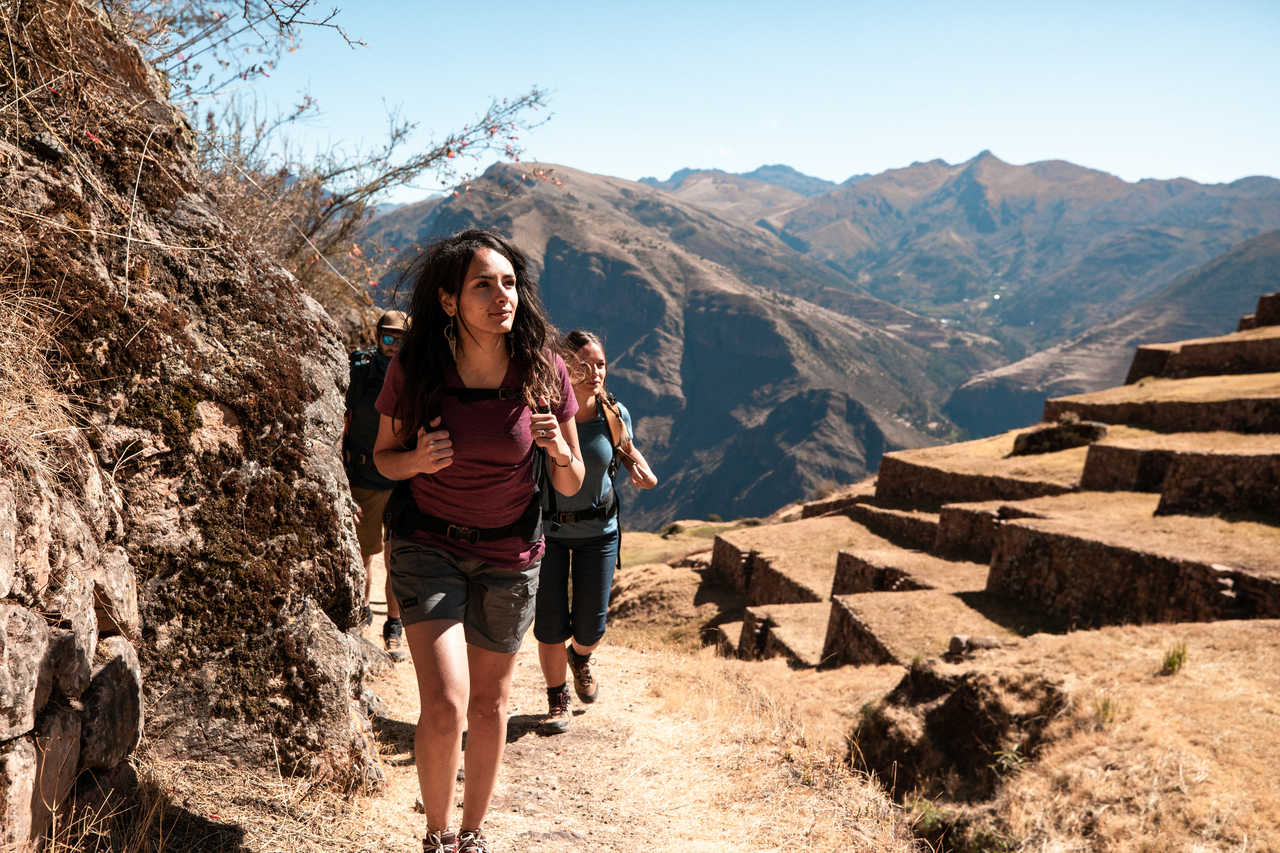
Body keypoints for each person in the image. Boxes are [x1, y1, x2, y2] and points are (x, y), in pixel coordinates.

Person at [372, 229, 584, 853]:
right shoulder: (417, 367)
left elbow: (570, 483)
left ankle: (472, 835)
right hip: (428, 544)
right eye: (483, 285)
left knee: (489, 705)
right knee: (445, 702)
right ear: (448, 301)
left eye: (510, 283)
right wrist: (417, 460)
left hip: (510, 553)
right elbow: (383, 459)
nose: (502, 296)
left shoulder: (544, 369)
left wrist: (559, 450)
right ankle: (436, 838)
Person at [534, 330, 659, 733]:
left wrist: (644, 470)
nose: (594, 373)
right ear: (562, 367)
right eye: (583, 365)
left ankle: (581, 657)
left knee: (592, 626)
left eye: (600, 364)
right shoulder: (544, 416)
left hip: (600, 531)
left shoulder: (614, 414)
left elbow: (625, 449)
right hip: (548, 532)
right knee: (550, 622)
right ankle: (557, 700)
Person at [343, 309, 408, 655]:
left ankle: (393, 627)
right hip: (364, 479)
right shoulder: (360, 374)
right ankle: (361, 619)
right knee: (364, 556)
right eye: (387, 338)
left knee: (396, 556)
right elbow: (343, 423)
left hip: (400, 481)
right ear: (377, 337)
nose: (393, 347)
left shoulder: (416, 379)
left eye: (400, 340)